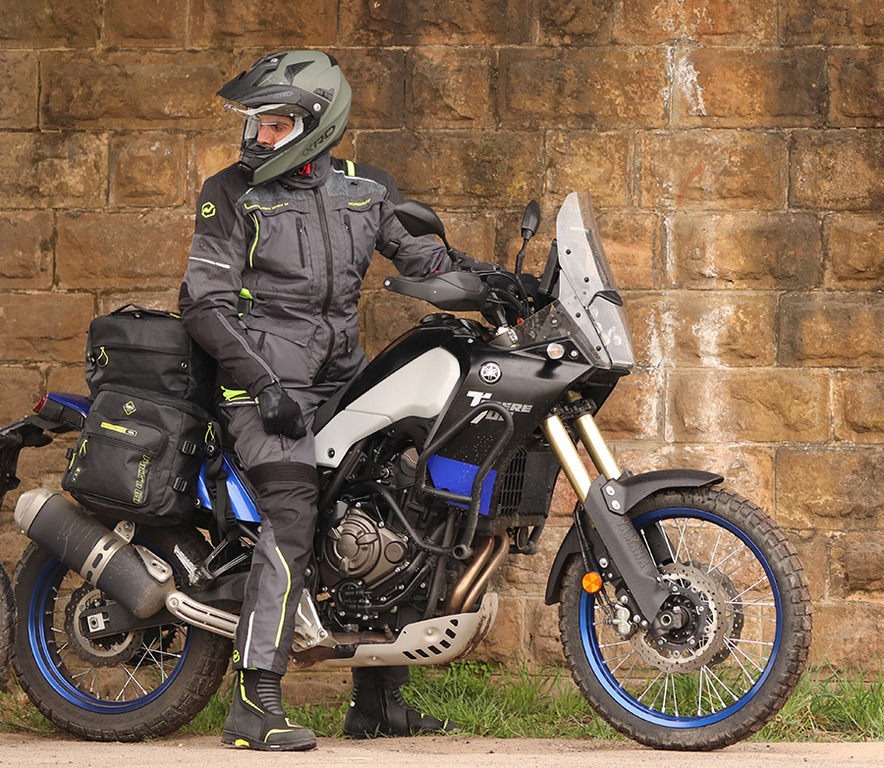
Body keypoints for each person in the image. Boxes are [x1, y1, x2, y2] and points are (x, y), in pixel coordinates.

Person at [179, 50, 468, 751]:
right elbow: (203, 303)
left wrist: (489, 280)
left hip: (342, 382)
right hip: (262, 390)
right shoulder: (230, 193)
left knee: (400, 504)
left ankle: (379, 703)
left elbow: (421, 256)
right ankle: (254, 699)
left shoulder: (365, 189)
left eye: (274, 125)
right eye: (256, 123)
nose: (258, 136)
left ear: (317, 125)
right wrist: (262, 383)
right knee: (292, 511)